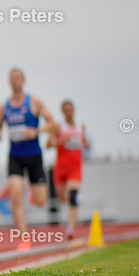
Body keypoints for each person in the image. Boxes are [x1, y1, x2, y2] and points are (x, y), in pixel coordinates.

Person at [0, 68, 59, 250]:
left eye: (18, 78)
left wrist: (36, 131)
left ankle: (32, 193)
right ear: (9, 82)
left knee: (41, 201)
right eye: (12, 78)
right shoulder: (3, 107)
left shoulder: (34, 102)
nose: (15, 81)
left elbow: (53, 124)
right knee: (15, 195)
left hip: (34, 156)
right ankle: (24, 237)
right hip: (15, 156)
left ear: (23, 81)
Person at [47, 100, 90, 240]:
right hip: (61, 167)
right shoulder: (58, 127)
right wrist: (60, 141)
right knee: (62, 198)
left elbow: (84, 142)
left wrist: (86, 144)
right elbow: (48, 144)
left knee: (72, 196)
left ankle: (70, 229)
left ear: (74, 110)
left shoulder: (80, 126)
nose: (68, 112)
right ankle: (76, 199)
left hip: (75, 167)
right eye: (66, 110)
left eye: (70, 109)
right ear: (63, 112)